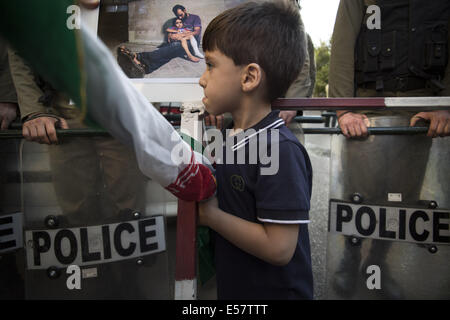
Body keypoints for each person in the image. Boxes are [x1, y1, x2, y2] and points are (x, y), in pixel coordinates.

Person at [328, 0, 450, 299]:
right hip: (367, 104)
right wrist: (345, 109)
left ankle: (378, 260)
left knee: (403, 194)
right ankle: (350, 257)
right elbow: (342, 46)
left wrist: (445, 103)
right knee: (359, 190)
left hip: (422, 107)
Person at [197, 1, 313, 299]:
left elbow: (279, 248)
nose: (202, 79)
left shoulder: (281, 150)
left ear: (249, 77)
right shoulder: (226, 137)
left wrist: (211, 217)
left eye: (210, 65)